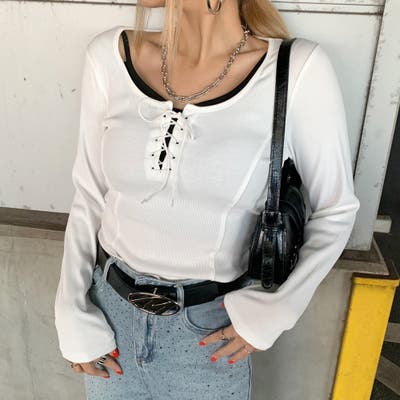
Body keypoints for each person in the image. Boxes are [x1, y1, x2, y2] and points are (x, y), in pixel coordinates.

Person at [54, 0, 360, 398]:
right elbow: (89, 195)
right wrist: (70, 309)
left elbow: (336, 210)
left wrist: (277, 310)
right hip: (110, 322)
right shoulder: (109, 57)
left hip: (209, 335)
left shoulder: (295, 70)